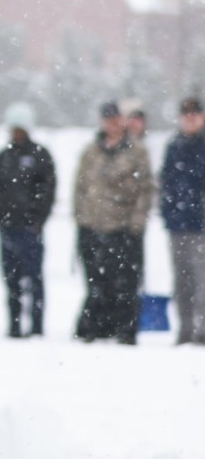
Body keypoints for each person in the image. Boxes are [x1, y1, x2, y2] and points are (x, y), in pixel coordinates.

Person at [73, 101, 155, 344]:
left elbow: (145, 190)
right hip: (93, 225)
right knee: (97, 282)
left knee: (126, 283)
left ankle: (125, 330)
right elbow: (80, 187)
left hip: (123, 227)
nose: (112, 123)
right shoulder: (91, 151)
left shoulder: (136, 152)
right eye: (107, 118)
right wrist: (81, 218)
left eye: (116, 118)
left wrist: (136, 224)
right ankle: (98, 327)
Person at [0, 102, 55, 337]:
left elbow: (48, 191)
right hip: (8, 228)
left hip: (31, 230)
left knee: (34, 280)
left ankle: (36, 326)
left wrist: (37, 220)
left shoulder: (40, 156)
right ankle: (14, 326)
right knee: (11, 281)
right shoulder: (3, 157)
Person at [162, 96, 205, 343]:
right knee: (182, 281)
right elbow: (167, 182)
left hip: (201, 226)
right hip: (178, 224)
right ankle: (185, 329)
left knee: (202, 281)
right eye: (186, 114)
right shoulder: (174, 146)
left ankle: (202, 330)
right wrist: (169, 213)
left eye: (195, 114)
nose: (190, 119)